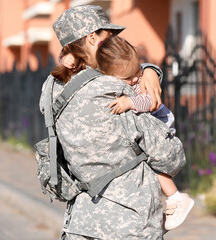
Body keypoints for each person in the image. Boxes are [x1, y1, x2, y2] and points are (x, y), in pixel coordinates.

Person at [40, 5, 186, 239]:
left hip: (81, 221)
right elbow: (169, 156)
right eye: (109, 37)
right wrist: (146, 73)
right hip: (129, 220)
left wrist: (149, 70)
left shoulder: (51, 89)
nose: (115, 43)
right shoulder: (111, 90)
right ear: (92, 38)